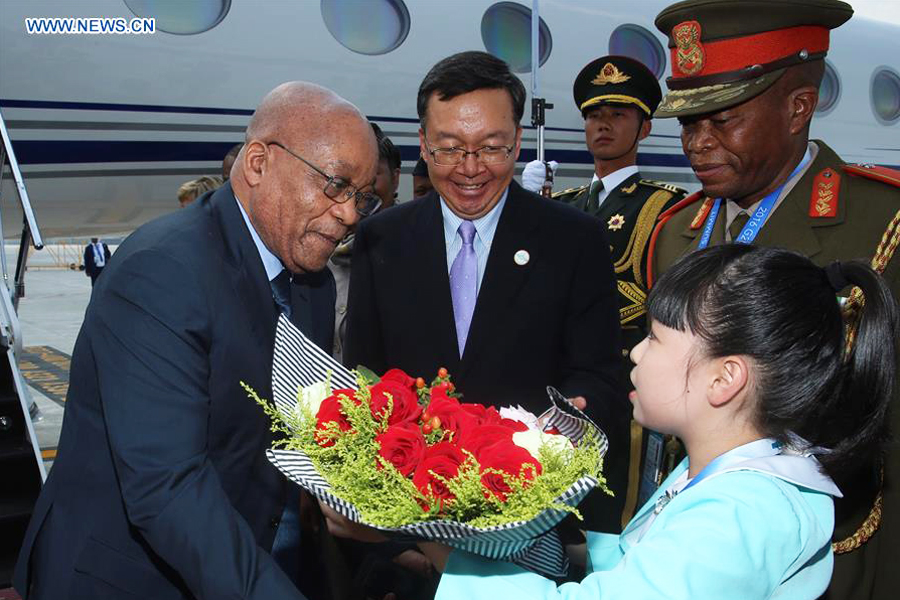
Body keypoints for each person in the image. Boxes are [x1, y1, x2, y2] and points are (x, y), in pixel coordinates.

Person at [14, 81, 380, 600]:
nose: (348, 215)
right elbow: (167, 486)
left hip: (232, 556)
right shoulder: (165, 269)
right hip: (126, 577)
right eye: (335, 185)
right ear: (258, 163)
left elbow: (300, 436)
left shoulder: (310, 283)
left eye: (363, 198)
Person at [377, 244, 895, 600]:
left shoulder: (741, 512)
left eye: (655, 338)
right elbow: (648, 565)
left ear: (724, 379)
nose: (636, 354)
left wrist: (439, 548)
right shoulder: (729, 471)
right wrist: (563, 541)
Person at [646, 1, 900, 597]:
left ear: (797, 108)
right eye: (688, 122)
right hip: (696, 546)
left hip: (838, 549)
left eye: (723, 120)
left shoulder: (881, 225)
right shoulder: (675, 234)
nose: (697, 144)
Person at [345, 51, 628, 533]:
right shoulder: (381, 240)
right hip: (407, 518)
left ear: (518, 142)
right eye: (450, 147)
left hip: (532, 512)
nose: (470, 168)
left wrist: (561, 434)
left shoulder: (573, 240)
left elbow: (600, 381)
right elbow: (363, 381)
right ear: (424, 143)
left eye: (491, 147)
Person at [524, 55, 688, 525]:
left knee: (612, 518)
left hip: (622, 385)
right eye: (595, 114)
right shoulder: (565, 204)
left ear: (645, 128)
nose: (603, 125)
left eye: (619, 115)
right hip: (557, 382)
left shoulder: (663, 207)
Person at [331, 122, 398, 363]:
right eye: (345, 181)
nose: (358, 192)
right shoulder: (320, 250)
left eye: (371, 178)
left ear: (395, 178)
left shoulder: (415, 250)